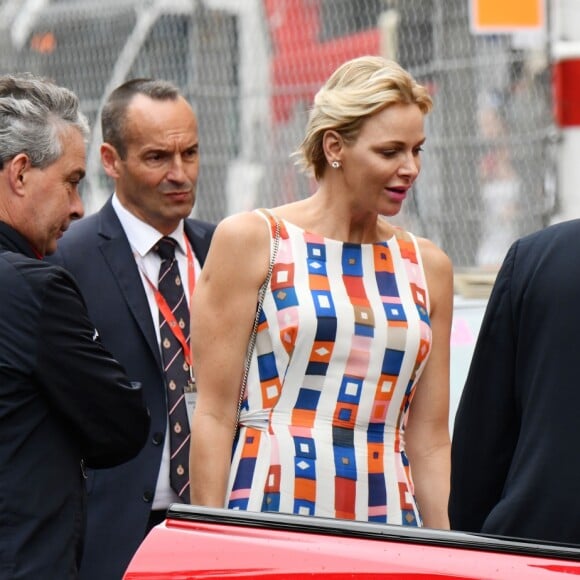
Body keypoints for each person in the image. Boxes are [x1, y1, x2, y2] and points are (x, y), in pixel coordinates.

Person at [189, 56, 453, 529]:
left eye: (417, 150)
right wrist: (211, 538)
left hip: (389, 515)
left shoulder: (427, 265)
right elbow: (213, 414)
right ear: (335, 146)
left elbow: (430, 438)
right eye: (390, 151)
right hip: (272, 509)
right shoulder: (253, 240)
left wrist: (444, 546)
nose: (410, 167)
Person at [50, 79, 215, 579]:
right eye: (157, 157)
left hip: (218, 522)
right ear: (110, 159)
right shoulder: (66, 259)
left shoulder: (226, 252)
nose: (180, 174)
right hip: (115, 531)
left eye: (190, 153)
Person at [0, 73, 149, 579]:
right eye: (71, 181)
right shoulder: (32, 287)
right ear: (20, 174)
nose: (78, 207)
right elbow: (122, 424)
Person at [449, 219, 580, 545]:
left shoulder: (539, 257)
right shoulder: (537, 258)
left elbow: (482, 442)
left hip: (535, 548)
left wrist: (478, 546)